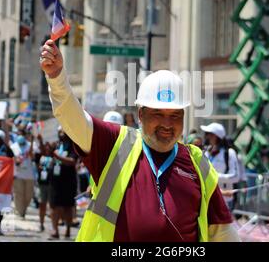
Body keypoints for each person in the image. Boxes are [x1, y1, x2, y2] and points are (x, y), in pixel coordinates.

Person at [40, 39, 239, 242]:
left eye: (175, 115)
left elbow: (223, 232)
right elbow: (74, 119)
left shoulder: (197, 163)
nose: (167, 124)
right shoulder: (116, 144)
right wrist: (57, 78)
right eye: (157, 113)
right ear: (141, 114)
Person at [200, 122, 240, 210]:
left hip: (224, 200)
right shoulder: (207, 152)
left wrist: (214, 176)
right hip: (207, 198)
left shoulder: (229, 153)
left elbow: (236, 176)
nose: (207, 136)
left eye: (210, 134)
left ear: (217, 136)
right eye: (207, 134)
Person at [48, 128, 78, 240]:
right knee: (54, 205)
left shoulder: (73, 146)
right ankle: (55, 230)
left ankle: (68, 229)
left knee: (67, 207)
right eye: (60, 132)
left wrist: (57, 156)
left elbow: (72, 161)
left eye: (63, 132)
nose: (61, 134)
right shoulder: (56, 145)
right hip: (55, 181)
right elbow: (46, 154)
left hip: (68, 181)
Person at [10, 131, 35, 218]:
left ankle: (24, 209)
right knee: (18, 194)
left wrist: (32, 143)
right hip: (17, 174)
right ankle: (20, 212)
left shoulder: (30, 145)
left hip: (29, 175)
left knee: (29, 195)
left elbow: (33, 157)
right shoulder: (13, 147)